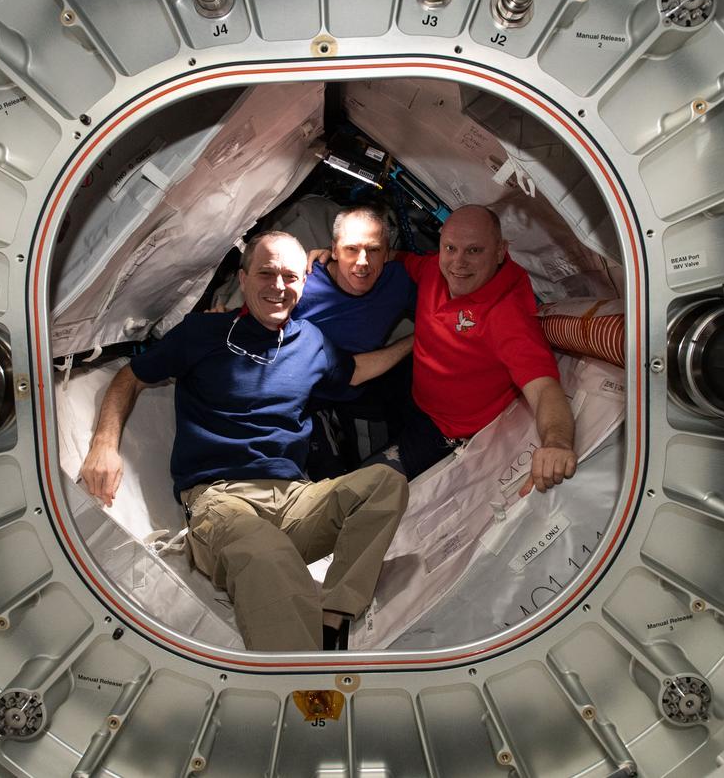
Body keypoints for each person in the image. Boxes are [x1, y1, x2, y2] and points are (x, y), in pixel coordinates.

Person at [78, 231, 411, 652]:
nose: (278, 286)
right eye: (266, 273)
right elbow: (131, 376)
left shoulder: (311, 341)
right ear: (244, 277)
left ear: (303, 285)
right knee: (265, 551)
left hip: (294, 500)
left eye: (290, 276)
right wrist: (104, 445)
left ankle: (334, 616)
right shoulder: (203, 332)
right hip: (219, 501)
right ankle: (304, 691)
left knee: (385, 482)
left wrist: (416, 340)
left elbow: (356, 370)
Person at [313, 205, 577, 490]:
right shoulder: (434, 268)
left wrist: (557, 442)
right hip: (414, 387)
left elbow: (544, 388)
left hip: (441, 429)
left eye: (474, 251)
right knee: (350, 396)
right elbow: (395, 257)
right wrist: (337, 257)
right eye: (450, 248)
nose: (458, 263)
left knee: (358, 491)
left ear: (500, 251)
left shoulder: (507, 314)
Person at [292, 207, 417, 476]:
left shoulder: (396, 281)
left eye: (373, 250)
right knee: (328, 477)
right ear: (334, 250)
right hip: (308, 397)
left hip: (360, 389)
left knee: (378, 469)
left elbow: (445, 269)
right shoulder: (303, 284)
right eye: (351, 249)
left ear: (387, 253)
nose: (363, 262)